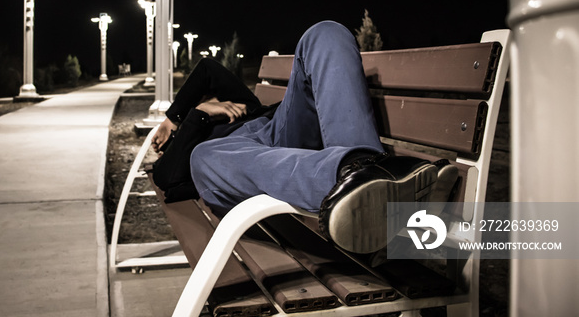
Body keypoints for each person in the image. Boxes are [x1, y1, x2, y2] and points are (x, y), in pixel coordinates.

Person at [151, 21, 457, 254]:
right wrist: (199, 113)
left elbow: (208, 69)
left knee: (324, 32)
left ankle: (362, 170)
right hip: (237, 158)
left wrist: (171, 117)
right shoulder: (187, 144)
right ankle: (357, 184)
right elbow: (167, 178)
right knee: (202, 157)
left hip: (276, 128)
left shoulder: (217, 108)